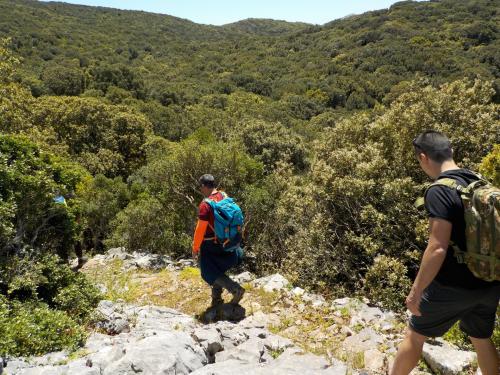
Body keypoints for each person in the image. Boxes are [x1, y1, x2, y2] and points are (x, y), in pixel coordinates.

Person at [390, 131, 500, 375]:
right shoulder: (479, 182)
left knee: (414, 334)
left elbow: (437, 247)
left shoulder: (439, 190)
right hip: (488, 282)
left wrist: (415, 291)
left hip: (452, 286)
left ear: (423, 157)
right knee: (481, 338)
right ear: (451, 152)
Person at [192, 174, 245, 307]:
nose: (200, 189)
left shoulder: (205, 205)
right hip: (226, 241)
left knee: (208, 272)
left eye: (201, 187)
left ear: (204, 186)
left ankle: (235, 289)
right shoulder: (223, 195)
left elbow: (200, 229)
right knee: (217, 271)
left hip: (210, 245)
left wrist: (195, 248)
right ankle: (216, 300)